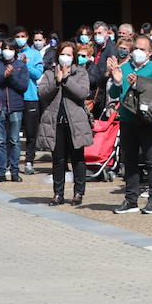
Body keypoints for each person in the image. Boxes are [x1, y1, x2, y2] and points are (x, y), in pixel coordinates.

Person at [108, 35, 152, 215]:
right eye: (136, 48)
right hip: (127, 119)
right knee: (130, 160)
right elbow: (115, 92)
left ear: (149, 52)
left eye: (142, 49)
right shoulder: (125, 68)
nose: (138, 52)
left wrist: (138, 83)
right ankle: (131, 199)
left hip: (147, 120)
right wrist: (117, 80)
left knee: (151, 161)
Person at [37, 41, 93, 206]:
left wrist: (67, 79)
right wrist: (56, 81)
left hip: (75, 122)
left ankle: (78, 193)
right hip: (55, 122)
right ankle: (58, 194)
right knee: (58, 159)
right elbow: (42, 94)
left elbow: (83, 93)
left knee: (78, 159)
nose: (65, 57)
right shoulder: (49, 73)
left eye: (69, 54)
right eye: (63, 54)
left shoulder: (80, 73)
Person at [0, 40, 29, 182]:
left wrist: (11, 77)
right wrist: (3, 76)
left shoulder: (21, 65)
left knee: (15, 140)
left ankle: (15, 171)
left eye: (11, 48)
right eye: (5, 48)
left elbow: (23, 86)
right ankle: (0, 171)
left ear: (15, 51)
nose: (7, 51)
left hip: (15, 106)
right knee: (0, 141)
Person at [20, 29, 48, 174]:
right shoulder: (11, 53)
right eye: (17, 37)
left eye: (22, 36)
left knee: (31, 133)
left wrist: (25, 65)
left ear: (27, 37)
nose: (20, 39)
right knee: (12, 135)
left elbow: (38, 74)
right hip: (14, 98)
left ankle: (29, 161)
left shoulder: (35, 54)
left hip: (31, 97)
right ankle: (9, 163)